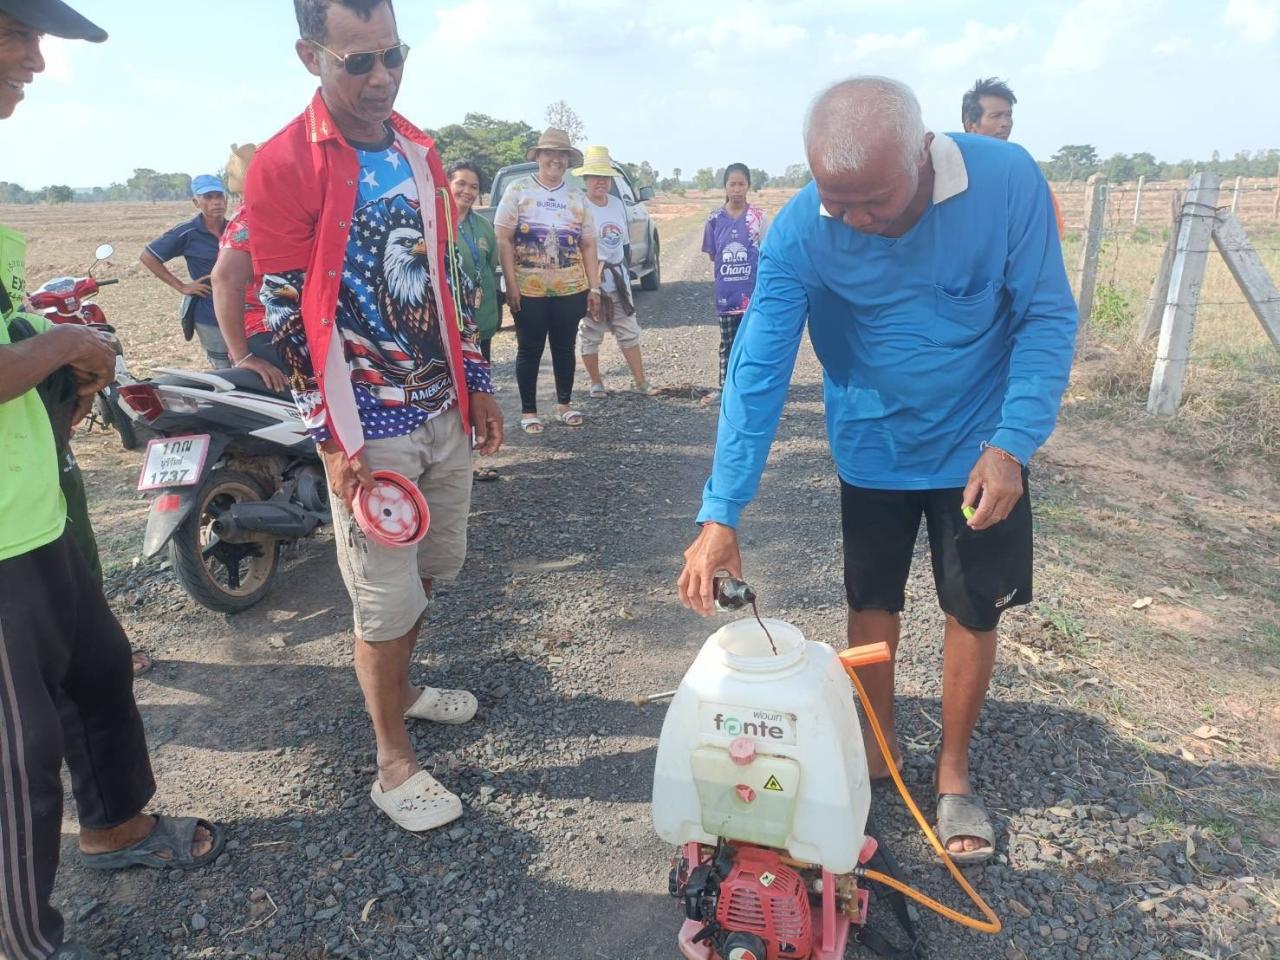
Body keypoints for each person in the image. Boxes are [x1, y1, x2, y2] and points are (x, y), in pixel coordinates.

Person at [678, 76, 1078, 865]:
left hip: (982, 448)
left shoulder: (1006, 181)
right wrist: (721, 510)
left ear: (923, 152)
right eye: (840, 203)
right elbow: (757, 371)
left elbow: (1045, 314)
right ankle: (875, 749)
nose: (857, 220)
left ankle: (954, 770)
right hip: (874, 445)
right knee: (870, 600)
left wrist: (1013, 444)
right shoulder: (802, 231)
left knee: (974, 605)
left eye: (876, 203)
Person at [244, 0, 503, 833]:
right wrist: (331, 438)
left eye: (394, 55)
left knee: (430, 568)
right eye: (358, 61)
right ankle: (394, 763)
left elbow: (447, 280)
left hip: (442, 409)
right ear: (310, 55)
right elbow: (286, 316)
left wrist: (477, 380)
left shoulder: (417, 149)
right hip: (370, 430)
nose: (382, 77)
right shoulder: (284, 164)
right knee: (382, 604)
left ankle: (407, 687)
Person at [1, 5, 223, 959]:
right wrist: (63, 343)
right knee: (20, 754)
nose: (37, 60)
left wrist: (58, 369)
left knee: (98, 669)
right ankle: (24, 938)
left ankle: (117, 829)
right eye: (17, 31)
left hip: (34, 510)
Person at [494, 128, 601, 434]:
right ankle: (529, 411)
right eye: (549, 153)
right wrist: (511, 284)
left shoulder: (576, 197)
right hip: (528, 290)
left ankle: (565, 404)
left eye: (561, 155)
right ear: (538, 156)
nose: (555, 160)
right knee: (530, 349)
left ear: (568, 160)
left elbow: (588, 245)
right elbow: (503, 239)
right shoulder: (518, 190)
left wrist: (594, 287)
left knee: (565, 347)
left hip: (571, 288)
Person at [573, 145, 657, 399]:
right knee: (590, 333)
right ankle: (596, 382)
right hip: (592, 281)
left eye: (605, 177)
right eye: (595, 177)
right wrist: (590, 285)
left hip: (617, 278)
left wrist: (626, 277)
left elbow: (624, 245)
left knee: (628, 330)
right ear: (586, 179)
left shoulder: (617, 204)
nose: (600, 182)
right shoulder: (579, 206)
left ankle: (641, 382)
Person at [210, 145, 290, 392]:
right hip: (266, 328)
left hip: (286, 323)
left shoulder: (278, 212)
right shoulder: (251, 218)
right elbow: (224, 279)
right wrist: (242, 356)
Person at [446, 159, 501, 482]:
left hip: (481, 322)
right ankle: (453, 461)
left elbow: (490, 266)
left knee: (478, 391)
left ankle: (473, 456)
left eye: (474, 187)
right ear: (446, 185)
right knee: (452, 394)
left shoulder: (482, 227)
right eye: (461, 184)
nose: (467, 191)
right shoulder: (432, 222)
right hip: (447, 328)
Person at [141, 174, 232, 367]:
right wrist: (182, 286)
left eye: (219, 196)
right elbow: (148, 257)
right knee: (223, 367)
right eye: (208, 197)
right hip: (209, 312)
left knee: (247, 364)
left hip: (242, 309)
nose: (216, 202)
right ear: (196, 202)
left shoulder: (236, 229)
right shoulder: (187, 232)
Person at [962, 77, 1064, 238]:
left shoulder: (1021, 169)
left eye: (1008, 115)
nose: (1006, 123)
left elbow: (1049, 228)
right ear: (971, 125)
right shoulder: (950, 169)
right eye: (996, 116)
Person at [701, 163, 765, 405]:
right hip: (726, 296)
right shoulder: (714, 219)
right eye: (732, 184)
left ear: (749, 186)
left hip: (753, 295)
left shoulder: (758, 217)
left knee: (753, 343)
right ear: (725, 187)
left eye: (741, 184)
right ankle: (726, 388)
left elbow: (767, 252)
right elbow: (713, 255)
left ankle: (751, 388)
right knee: (727, 344)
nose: (737, 189)